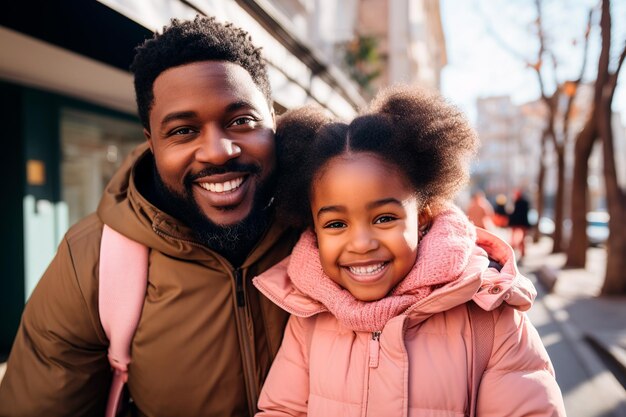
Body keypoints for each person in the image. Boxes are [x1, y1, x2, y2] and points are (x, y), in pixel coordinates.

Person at [0, 16, 300, 416]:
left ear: (273, 123)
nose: (217, 151)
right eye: (183, 131)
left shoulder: (331, 226)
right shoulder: (92, 258)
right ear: (151, 142)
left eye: (241, 121)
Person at [252, 86, 566, 416]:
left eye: (384, 218)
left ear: (423, 216)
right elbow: (281, 410)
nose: (361, 243)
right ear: (313, 230)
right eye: (335, 224)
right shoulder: (308, 318)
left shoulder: (491, 318)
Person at [508, 189, 532, 258]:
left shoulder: (520, 202)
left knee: (521, 239)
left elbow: (516, 213)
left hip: (521, 223)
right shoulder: (517, 202)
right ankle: (517, 252)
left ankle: (522, 252)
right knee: (514, 238)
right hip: (519, 222)